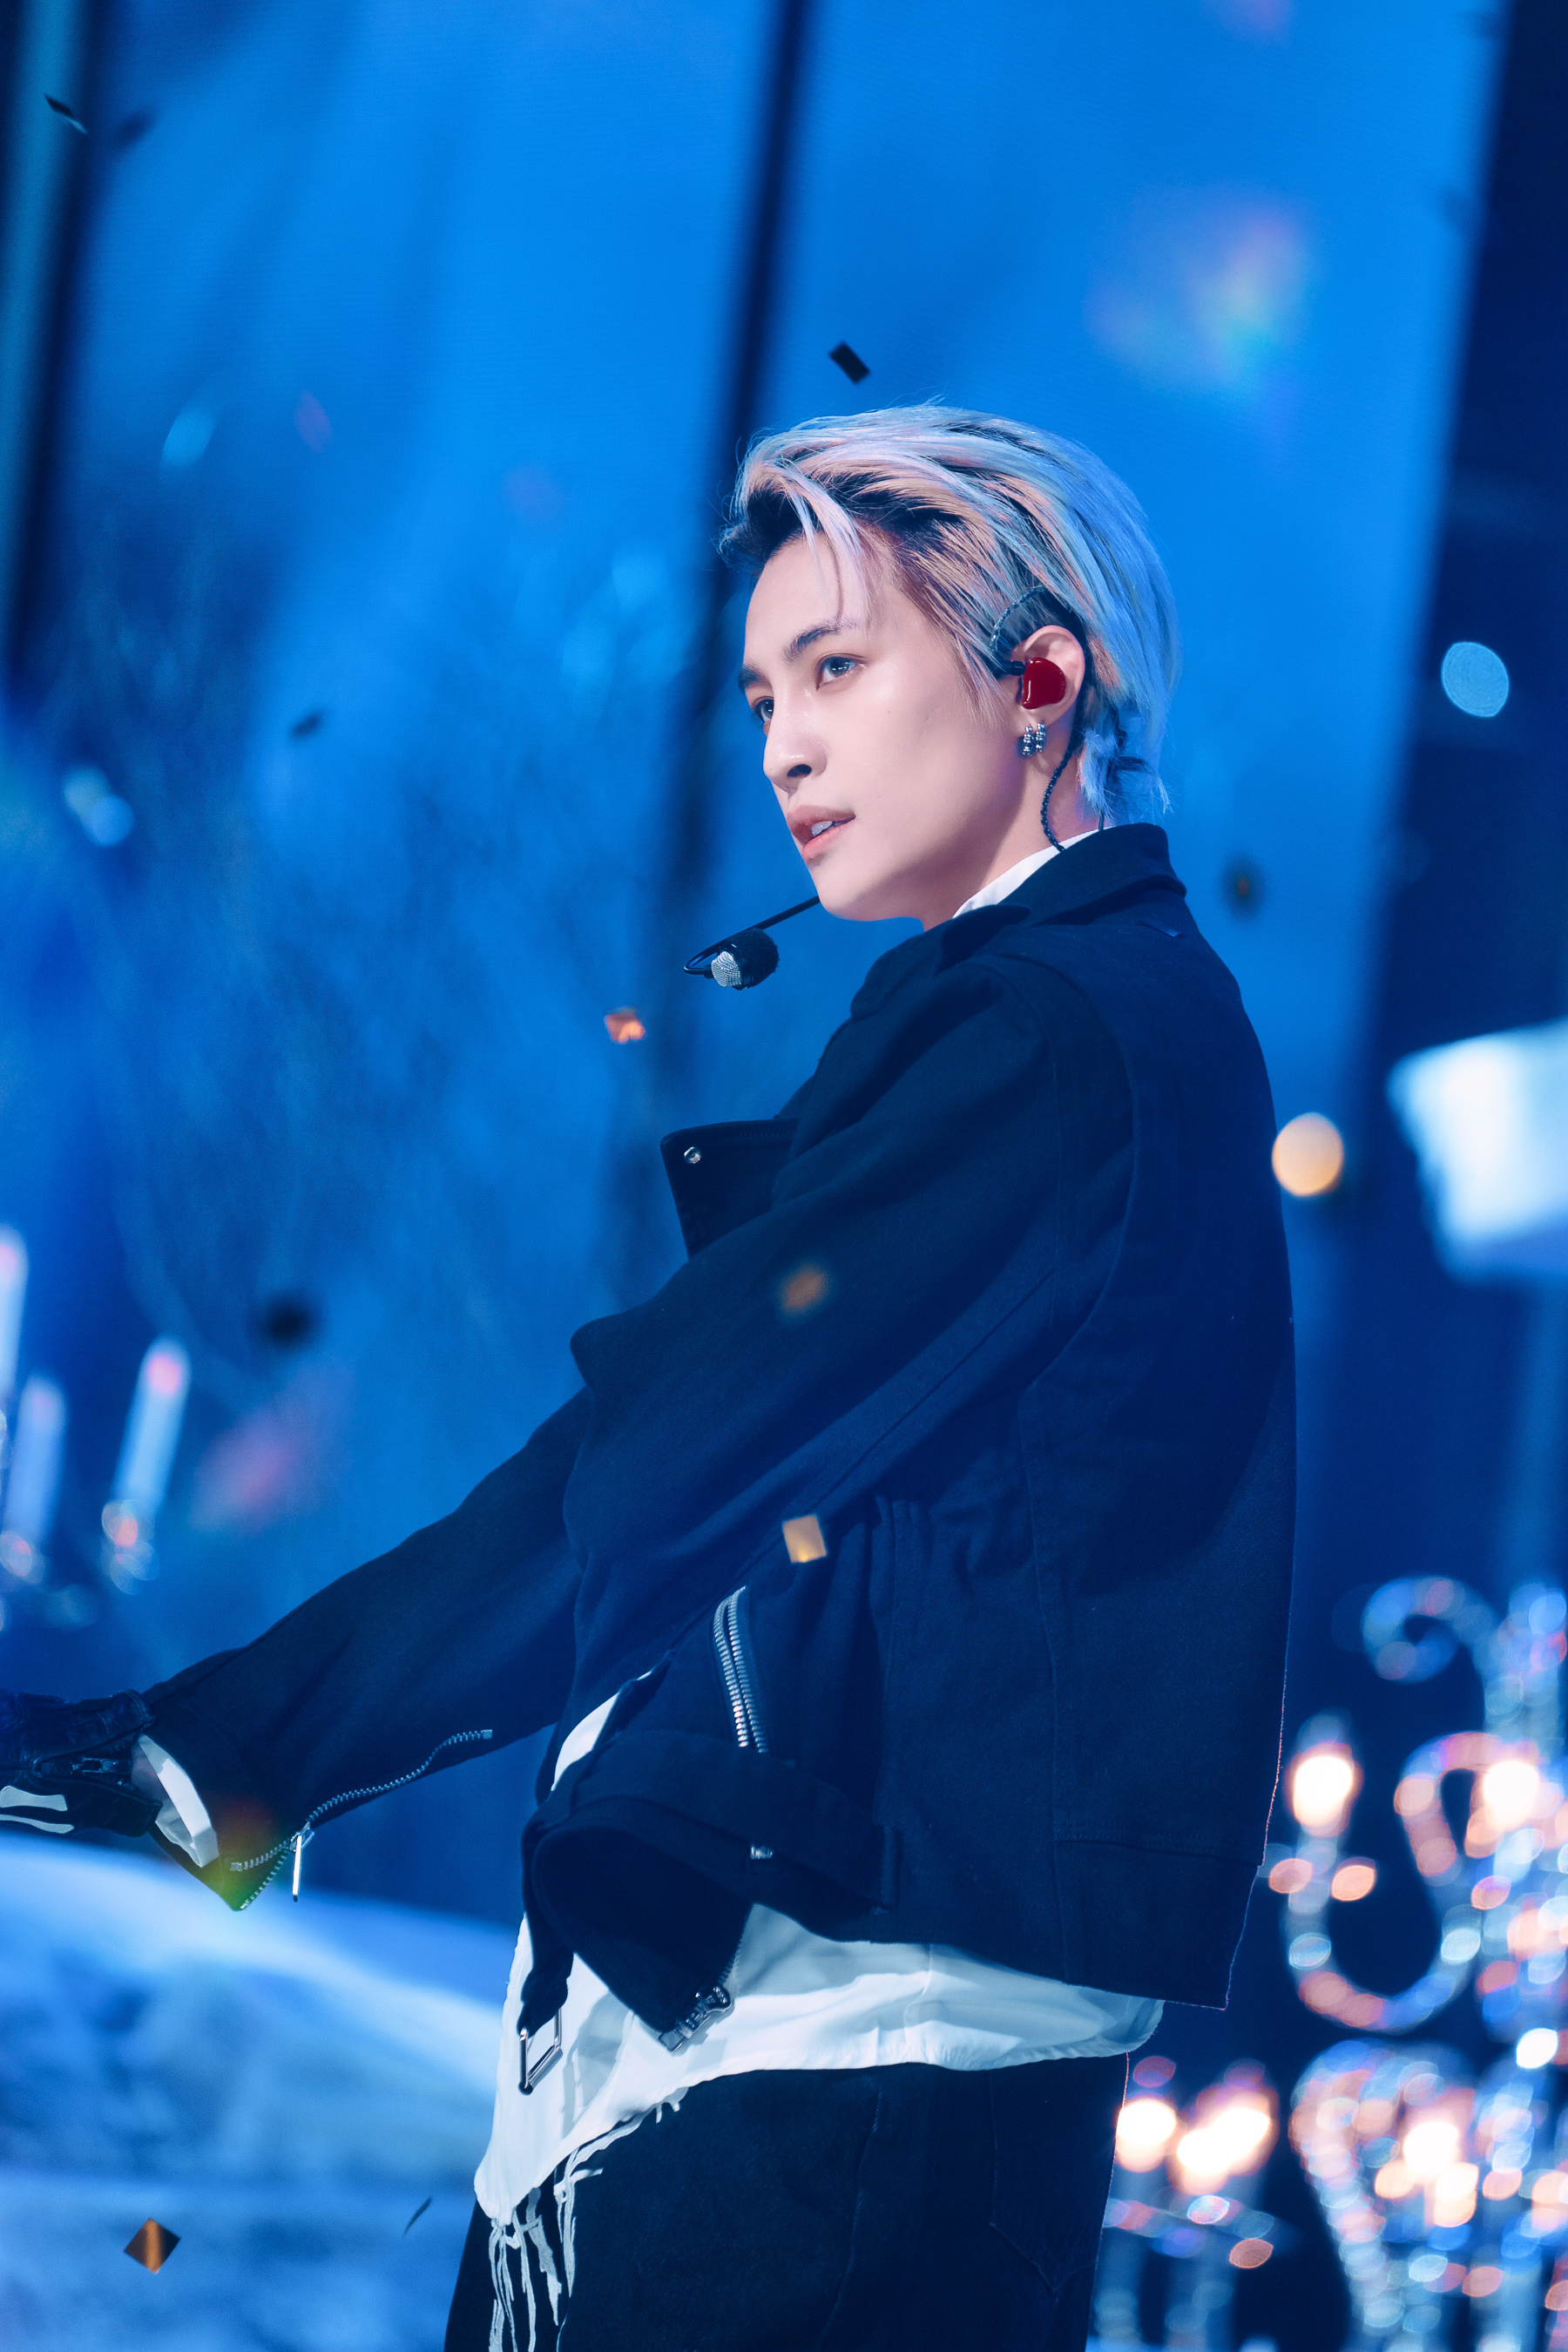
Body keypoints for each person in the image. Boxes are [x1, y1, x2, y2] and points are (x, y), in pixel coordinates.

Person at [0, 406, 1294, 2352]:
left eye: (836, 670)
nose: (783, 745)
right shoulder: (1058, 1023)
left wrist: (220, 1756)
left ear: (1041, 684)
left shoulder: (1050, 1034)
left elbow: (662, 1458)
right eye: (766, 693)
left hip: (824, 2109)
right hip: (791, 2071)